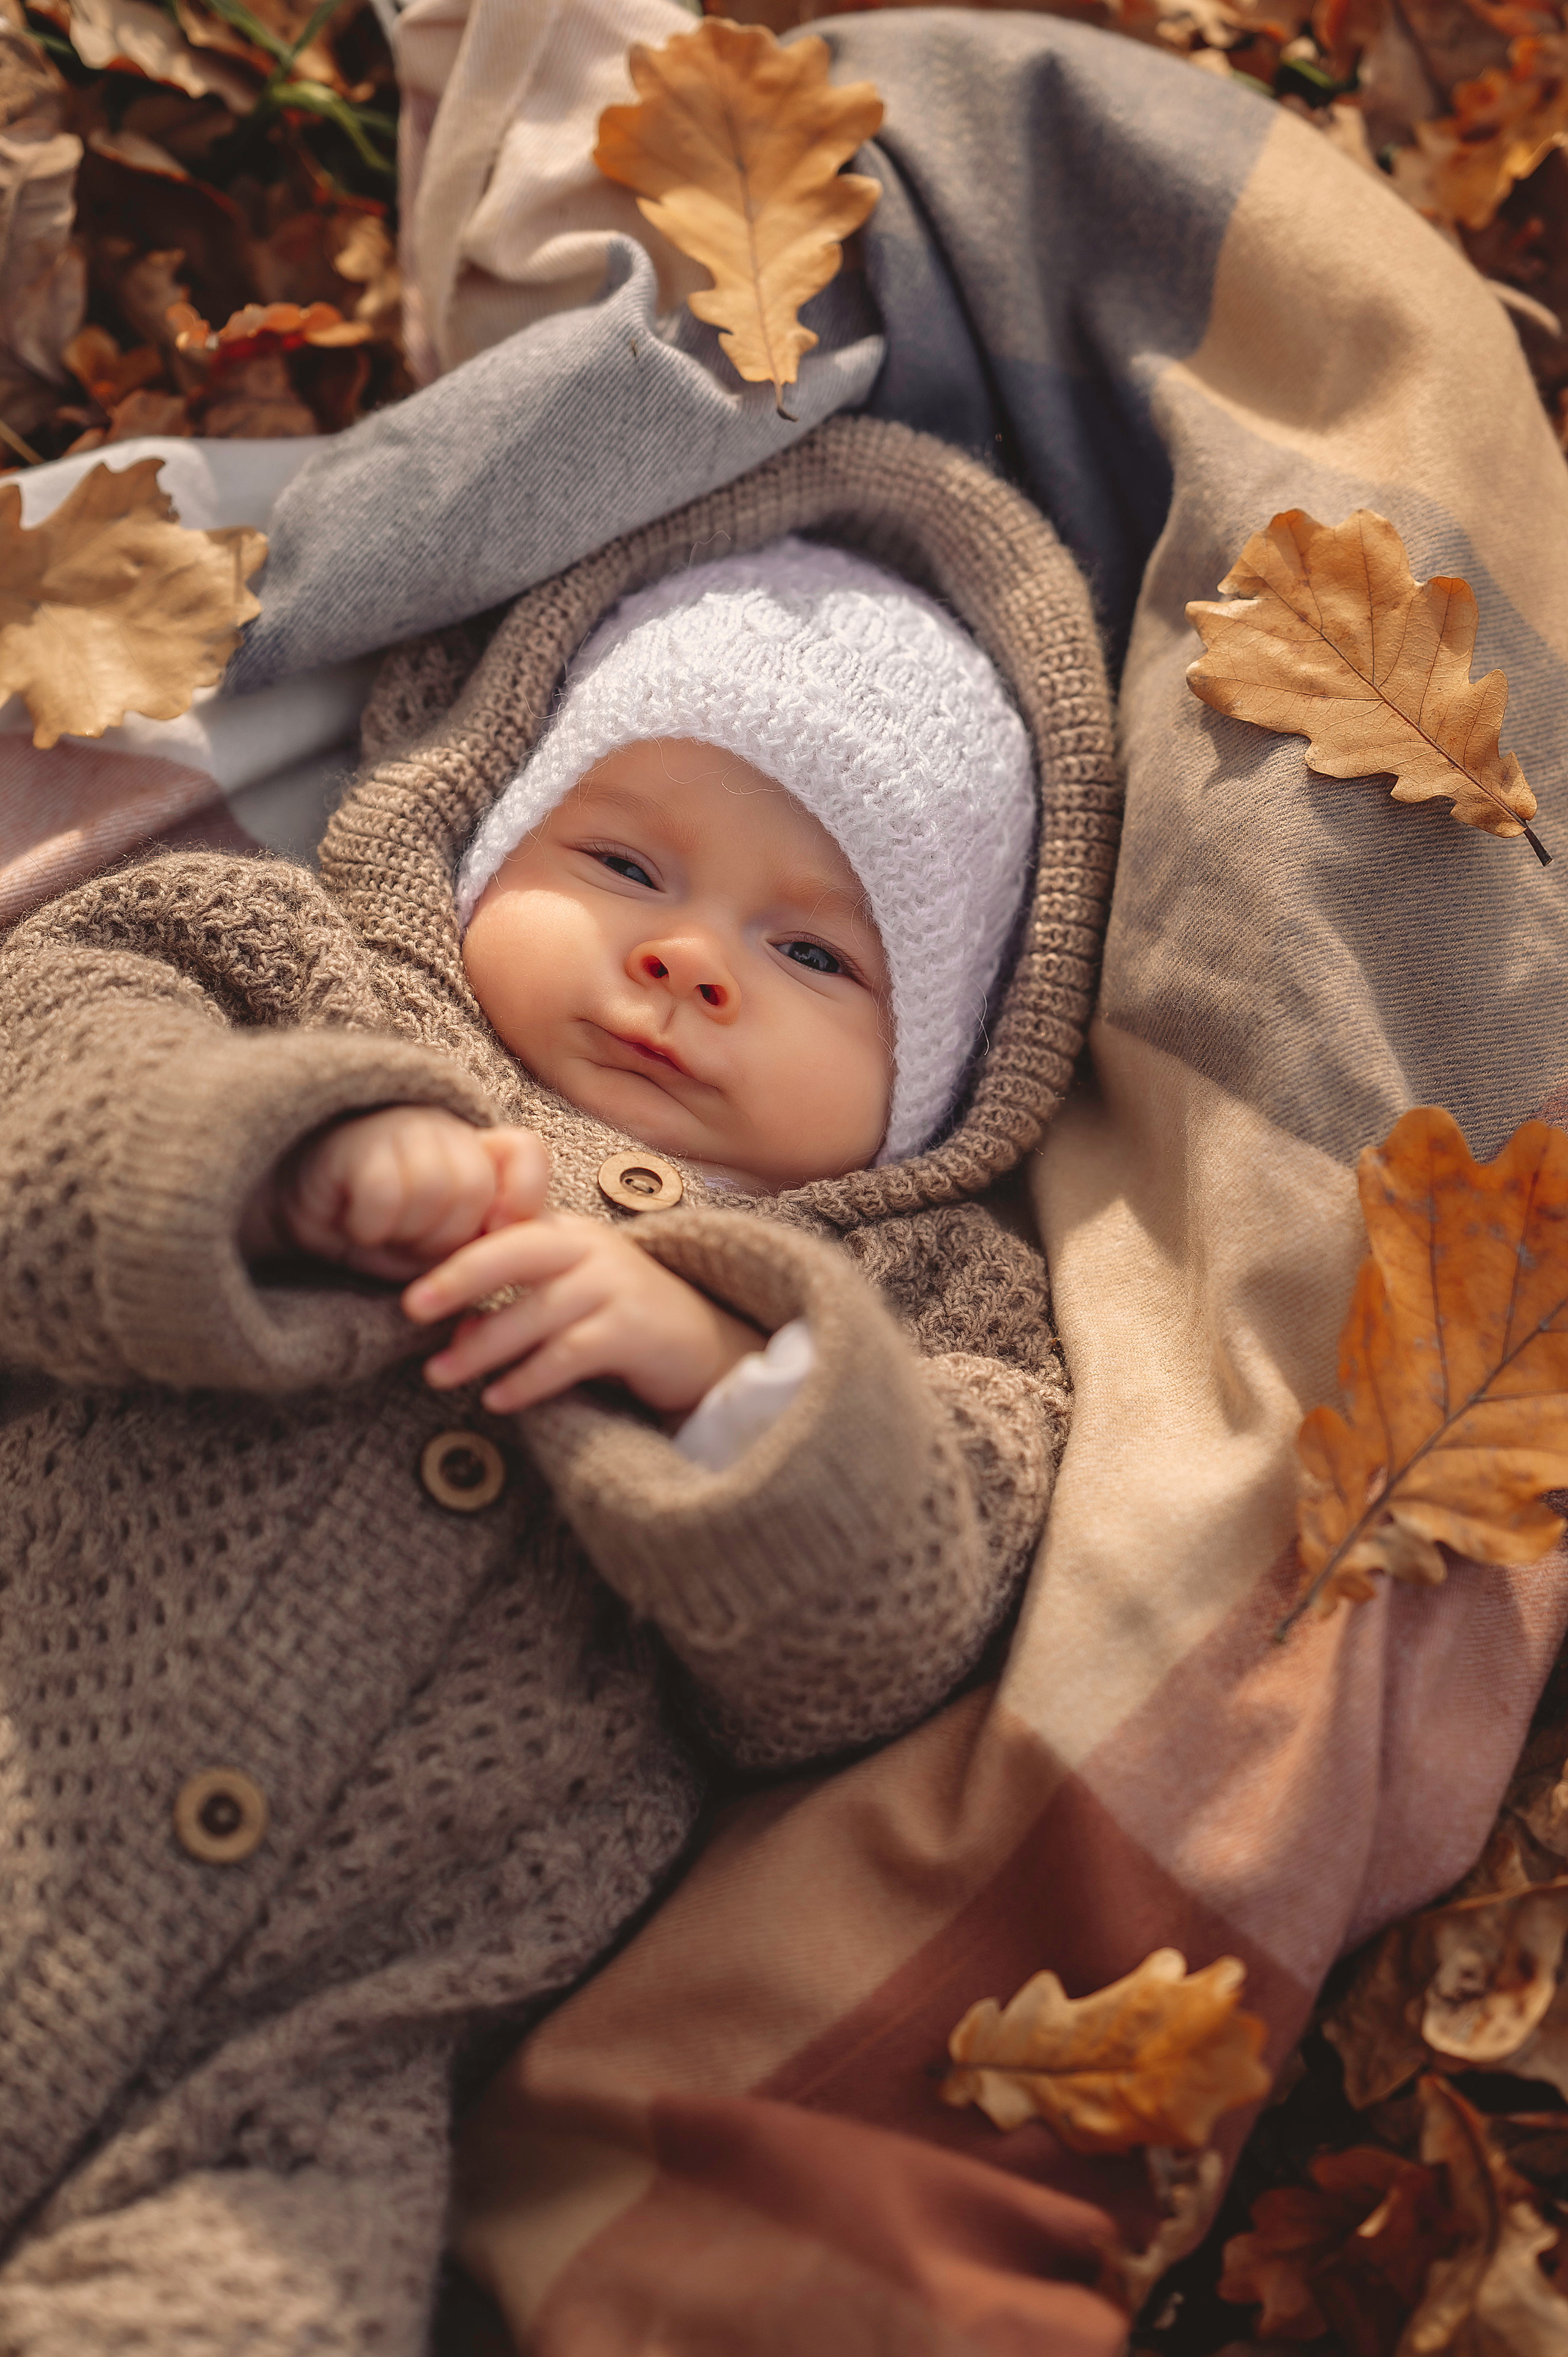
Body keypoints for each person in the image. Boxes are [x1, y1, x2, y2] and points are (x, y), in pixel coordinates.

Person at [0, 415, 1115, 2353]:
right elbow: (48, 1056)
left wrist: (719, 1371)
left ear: (947, 1070)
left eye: (813, 953)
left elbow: (901, 1623)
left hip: (290, 2105)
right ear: (489, 823)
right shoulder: (297, 971)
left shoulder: (933, 1306)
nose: (687, 963)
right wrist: (275, 1154)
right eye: (622, 860)